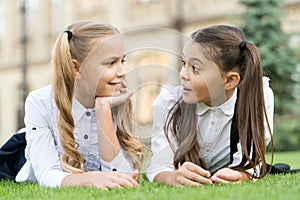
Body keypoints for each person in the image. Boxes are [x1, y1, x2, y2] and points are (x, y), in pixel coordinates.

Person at [14, 20, 145, 189]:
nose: (122, 72)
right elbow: (47, 174)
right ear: (76, 68)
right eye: (110, 63)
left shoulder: (116, 100)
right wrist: (91, 179)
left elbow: (121, 175)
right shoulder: (40, 102)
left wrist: (103, 110)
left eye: (122, 61)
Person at [147, 24, 274, 186]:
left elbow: (252, 162)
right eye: (183, 63)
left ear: (229, 80)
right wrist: (171, 176)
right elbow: (159, 166)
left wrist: (239, 175)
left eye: (195, 68)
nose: (183, 74)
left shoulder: (258, 97)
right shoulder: (169, 101)